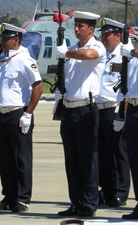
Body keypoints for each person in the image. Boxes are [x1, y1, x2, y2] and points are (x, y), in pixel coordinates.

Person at [0, 23, 43, 213]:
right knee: (5, 158)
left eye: (5, 38)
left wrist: (28, 113)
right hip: (2, 113)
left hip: (18, 113)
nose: (2, 41)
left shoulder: (25, 59)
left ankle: (23, 198)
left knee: (21, 159)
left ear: (16, 39)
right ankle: (9, 196)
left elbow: (37, 87)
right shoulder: (1, 59)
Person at [55, 11, 106, 217]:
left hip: (86, 109)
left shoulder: (96, 46)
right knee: (72, 160)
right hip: (69, 108)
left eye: (81, 26)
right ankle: (75, 202)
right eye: (75, 25)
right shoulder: (73, 48)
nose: (76, 29)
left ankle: (88, 204)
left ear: (91, 29)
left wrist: (65, 53)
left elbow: (88, 56)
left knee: (88, 159)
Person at [96, 18, 130, 207]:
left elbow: (127, 86)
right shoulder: (103, 55)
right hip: (99, 109)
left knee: (119, 153)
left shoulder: (125, 56)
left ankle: (121, 192)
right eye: (102, 35)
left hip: (114, 108)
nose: (104, 38)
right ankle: (107, 190)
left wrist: (121, 114)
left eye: (107, 35)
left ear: (118, 36)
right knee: (103, 153)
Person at [119, 39, 138, 219]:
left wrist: (132, 52)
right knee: (134, 158)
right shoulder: (133, 57)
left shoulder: (134, 54)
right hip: (133, 108)